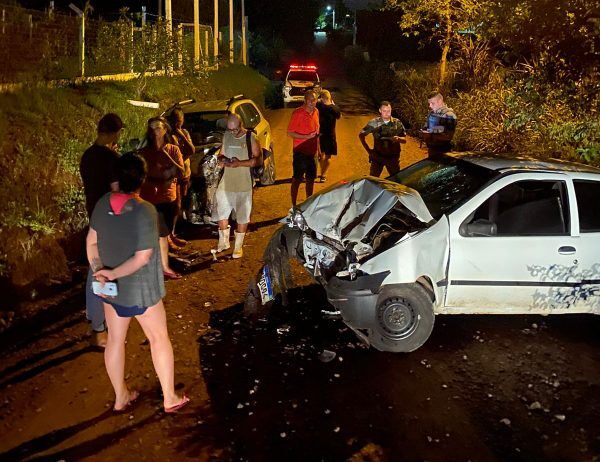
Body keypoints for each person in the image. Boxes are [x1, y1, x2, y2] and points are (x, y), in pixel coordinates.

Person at [86, 152, 190, 413]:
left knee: (114, 341)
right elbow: (143, 257)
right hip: (142, 291)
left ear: (117, 177)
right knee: (158, 338)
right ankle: (169, 398)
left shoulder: (102, 203)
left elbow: (91, 243)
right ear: (142, 179)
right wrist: (113, 273)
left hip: (112, 293)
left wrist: (101, 270)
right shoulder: (145, 210)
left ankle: (121, 396)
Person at [79, 113, 123, 348]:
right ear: (115, 133)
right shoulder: (112, 159)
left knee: (97, 267)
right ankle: (99, 327)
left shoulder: (87, 156)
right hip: (109, 220)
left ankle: (99, 322)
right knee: (100, 271)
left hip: (93, 216)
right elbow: (116, 193)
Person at [139, 117, 185, 280]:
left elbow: (181, 172)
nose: (155, 132)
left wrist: (167, 156)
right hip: (149, 197)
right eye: (152, 128)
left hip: (168, 197)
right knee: (154, 233)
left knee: (163, 234)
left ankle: (162, 266)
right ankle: (156, 266)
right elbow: (139, 173)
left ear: (165, 129)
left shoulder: (172, 150)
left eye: (158, 128)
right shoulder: (144, 152)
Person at [213, 113, 261, 259]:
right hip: (226, 182)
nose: (232, 132)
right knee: (221, 211)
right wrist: (223, 160)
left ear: (241, 125)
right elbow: (221, 154)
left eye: (234, 129)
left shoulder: (250, 138)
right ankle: (224, 241)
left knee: (242, 215)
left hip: (243, 184)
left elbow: (257, 160)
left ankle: (238, 247)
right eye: (229, 129)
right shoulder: (227, 136)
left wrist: (239, 163)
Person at [167, 108, 195, 249]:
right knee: (175, 205)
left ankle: (174, 233)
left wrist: (182, 136)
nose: (177, 125)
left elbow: (191, 150)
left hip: (185, 172)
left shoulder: (184, 133)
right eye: (175, 122)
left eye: (179, 121)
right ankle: (170, 235)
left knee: (181, 203)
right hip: (175, 175)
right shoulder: (167, 136)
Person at [287, 91, 320, 206]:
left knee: (311, 179)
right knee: (297, 179)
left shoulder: (316, 112)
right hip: (300, 152)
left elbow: (317, 133)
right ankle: (294, 204)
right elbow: (290, 133)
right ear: (305, 100)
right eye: (309, 100)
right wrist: (306, 137)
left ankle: (308, 203)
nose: (312, 102)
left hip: (312, 152)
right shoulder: (298, 113)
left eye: (314, 100)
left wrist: (319, 150)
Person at [359, 101, 406, 177]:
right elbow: (361, 135)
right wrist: (369, 151)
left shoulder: (397, 123)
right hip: (378, 157)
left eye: (389, 110)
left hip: (392, 159)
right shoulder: (374, 123)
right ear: (380, 110)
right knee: (373, 180)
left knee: (396, 181)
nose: (387, 113)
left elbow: (404, 140)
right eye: (384, 111)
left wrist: (399, 139)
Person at [421, 91, 457, 157]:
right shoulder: (431, 113)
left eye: (432, 103)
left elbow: (448, 136)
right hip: (431, 149)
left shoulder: (449, 115)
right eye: (429, 103)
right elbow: (426, 127)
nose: (430, 106)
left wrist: (431, 135)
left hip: (443, 151)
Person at [316, 89, 341, 183]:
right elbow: (339, 116)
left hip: (319, 134)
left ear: (321, 97)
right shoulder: (334, 108)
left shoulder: (318, 106)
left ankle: (322, 171)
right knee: (328, 156)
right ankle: (323, 175)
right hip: (330, 134)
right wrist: (333, 105)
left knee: (320, 155)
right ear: (329, 97)